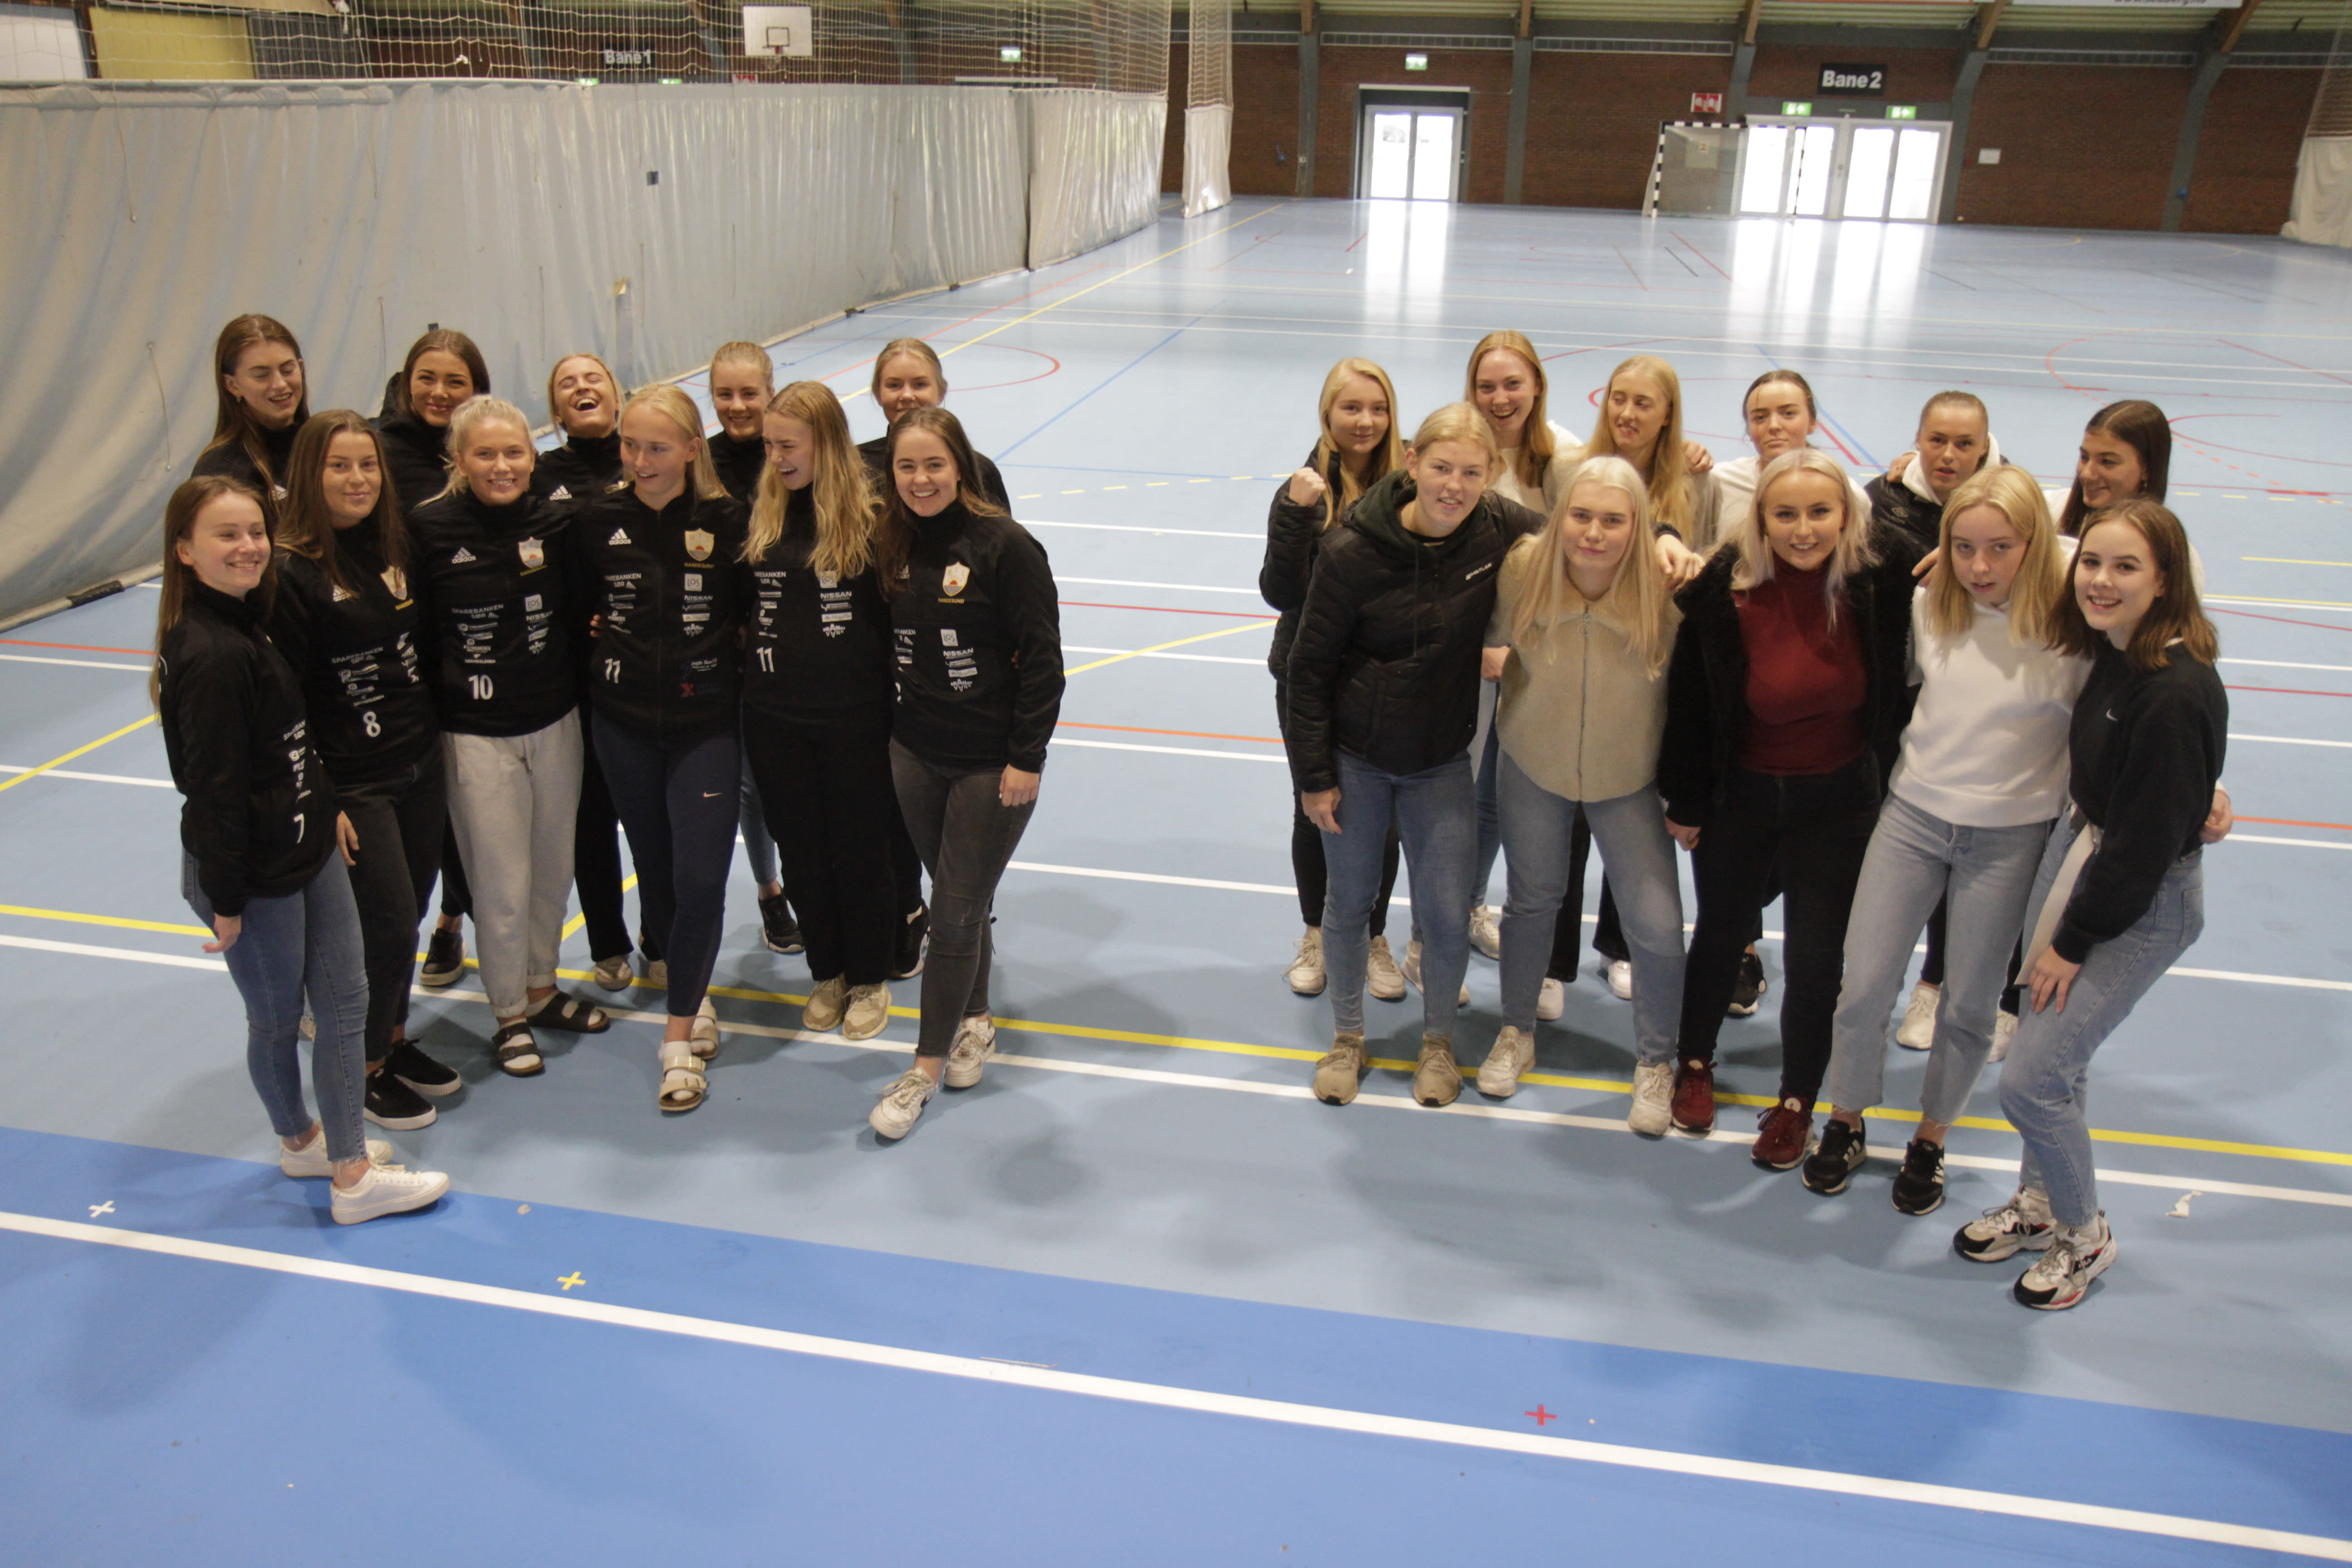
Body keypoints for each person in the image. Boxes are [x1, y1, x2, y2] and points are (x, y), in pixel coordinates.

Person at [154, 475, 448, 1224]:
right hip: (255, 873)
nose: (248, 547)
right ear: (184, 550)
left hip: (306, 845)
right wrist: (227, 900)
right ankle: (332, 1165)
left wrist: (326, 808)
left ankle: (331, 1153)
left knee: (345, 1000)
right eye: (226, 535)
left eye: (256, 531)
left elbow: (292, 738)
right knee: (278, 1018)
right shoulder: (211, 653)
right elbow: (214, 792)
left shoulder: (250, 621)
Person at [1957, 501, 2225, 1312]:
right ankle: (2040, 1203)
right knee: (2051, 1061)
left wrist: (2071, 942)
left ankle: (2083, 1234)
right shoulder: (2115, 649)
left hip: (2134, 901)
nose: (2100, 581)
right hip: (2080, 856)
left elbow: (2143, 849)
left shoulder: (2173, 692)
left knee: (2032, 1078)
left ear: (2165, 581)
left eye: (2125, 567)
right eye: (2093, 564)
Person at [1803, 466, 2087, 1210]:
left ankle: (1930, 1138)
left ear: (2035, 545)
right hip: (1913, 820)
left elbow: (2132, 690)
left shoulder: (2072, 627)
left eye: (2000, 548)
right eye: (1963, 547)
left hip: (2010, 838)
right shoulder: (1932, 604)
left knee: (1967, 1006)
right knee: (1864, 985)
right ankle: (1845, 1119)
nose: (1979, 567)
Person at [1657, 450, 1923, 1166]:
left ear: (1847, 517)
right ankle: (1694, 1063)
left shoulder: (1878, 582)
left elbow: (1962, 546)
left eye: (1820, 512)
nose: (1804, 529)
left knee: (1816, 958)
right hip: (1740, 796)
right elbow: (1689, 705)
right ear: (1761, 520)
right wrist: (1687, 800)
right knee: (1721, 934)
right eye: (1786, 514)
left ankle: (1797, 1099)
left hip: (1838, 803)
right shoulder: (1722, 590)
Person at [1284, 403, 1544, 1110]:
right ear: (1412, 463)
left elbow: (1575, 532)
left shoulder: (1495, 527)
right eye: (1441, 468)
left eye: (1472, 472)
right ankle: (1347, 1038)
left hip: (1441, 764)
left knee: (1446, 912)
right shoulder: (1350, 551)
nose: (1454, 486)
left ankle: (1437, 1046)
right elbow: (1308, 673)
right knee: (1348, 905)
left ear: (1491, 476)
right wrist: (1315, 778)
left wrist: (1662, 540)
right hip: (1357, 762)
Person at [867, 407, 1063, 1140]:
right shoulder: (889, 541)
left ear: (960, 467)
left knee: (949, 917)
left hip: (990, 765)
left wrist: (1026, 757)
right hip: (915, 755)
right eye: (906, 467)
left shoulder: (1005, 546)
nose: (920, 480)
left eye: (934, 465)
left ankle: (921, 1070)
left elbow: (1042, 660)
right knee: (964, 900)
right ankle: (975, 1020)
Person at [268, 409, 462, 1132]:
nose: (358, 479)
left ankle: (394, 1038)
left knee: (409, 912)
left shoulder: (391, 546)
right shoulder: (291, 572)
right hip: (356, 782)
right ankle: (366, 1067)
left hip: (417, 761)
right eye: (339, 466)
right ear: (308, 476)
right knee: (382, 925)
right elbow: (285, 701)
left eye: (368, 465)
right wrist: (325, 797)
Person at [1480, 456, 1688, 1132]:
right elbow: (1486, 635)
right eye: (1581, 516)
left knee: (1656, 924)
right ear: (1560, 515)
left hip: (1630, 778)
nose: (1594, 534)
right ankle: (1516, 1031)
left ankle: (1656, 1061)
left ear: (1640, 525)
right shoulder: (1523, 569)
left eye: (1613, 521)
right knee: (1531, 902)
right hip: (1533, 764)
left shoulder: (1667, 586)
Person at [409, 394, 609, 1076]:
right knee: (500, 882)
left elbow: (582, 608)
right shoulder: (429, 528)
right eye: (485, 454)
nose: (502, 466)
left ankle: (541, 987)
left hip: (556, 722)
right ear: (459, 460)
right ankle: (508, 1014)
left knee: (552, 870)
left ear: (533, 455)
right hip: (475, 736)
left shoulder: (555, 522)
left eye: (514, 452)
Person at [572, 385, 749, 1112]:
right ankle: (692, 994)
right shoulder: (595, 520)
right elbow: (576, 606)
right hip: (621, 725)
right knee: (658, 871)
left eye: (657, 447)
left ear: (692, 449)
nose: (640, 460)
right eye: (630, 445)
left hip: (705, 725)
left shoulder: (729, 522)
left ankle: (675, 1045)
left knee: (701, 876)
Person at [739, 382, 901, 1042]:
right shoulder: (763, 513)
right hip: (775, 718)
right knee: (802, 851)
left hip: (853, 717)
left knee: (859, 849)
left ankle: (869, 977)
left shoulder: (873, 516)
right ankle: (827, 971)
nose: (776, 458)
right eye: (769, 446)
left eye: (789, 445)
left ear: (827, 445)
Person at [1258, 358, 1406, 1003]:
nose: (1365, 421)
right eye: (1351, 408)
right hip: (1307, 675)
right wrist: (1296, 514)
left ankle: (1373, 937)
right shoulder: (1303, 488)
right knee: (1314, 805)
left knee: (1385, 817)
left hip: (1387, 678)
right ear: (1328, 414)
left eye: (1377, 408)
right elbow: (1279, 590)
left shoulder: (1410, 484)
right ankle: (1317, 934)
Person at [1867, 390, 2006, 1050]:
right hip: (1894, 700)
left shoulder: (2013, 504)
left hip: (1976, 707)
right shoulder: (1882, 499)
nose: (1948, 455)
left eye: (1964, 443)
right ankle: (1873, 983)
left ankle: (1935, 985)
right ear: (1917, 440)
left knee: (1965, 856)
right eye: (1937, 441)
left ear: (1985, 446)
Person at [529, 351, 652, 992]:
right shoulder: (539, 474)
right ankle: (608, 943)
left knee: (653, 814)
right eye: (567, 383)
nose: (581, 388)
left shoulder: (647, 461)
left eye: (593, 378)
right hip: (572, 674)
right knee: (589, 814)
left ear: (617, 393)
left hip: (644, 665)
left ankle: (662, 935)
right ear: (555, 408)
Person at [379, 329, 493, 987]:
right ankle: (433, 927)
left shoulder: (486, 446)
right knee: (426, 809)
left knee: (469, 805)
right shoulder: (380, 452)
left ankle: (455, 915)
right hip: (405, 653)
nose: (440, 392)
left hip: (472, 650)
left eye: (456, 381)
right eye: (427, 378)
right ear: (406, 382)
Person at [704, 341, 802, 958]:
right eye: (725, 394)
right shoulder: (701, 463)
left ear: (770, 392)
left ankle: (810, 880)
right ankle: (771, 891)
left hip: (789, 648)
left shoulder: (791, 458)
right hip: (724, 650)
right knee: (747, 786)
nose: (737, 405)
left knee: (794, 780)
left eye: (749, 393)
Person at [1707, 371, 1872, 556]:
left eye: (1789, 414)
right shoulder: (1720, 482)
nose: (1774, 426)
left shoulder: (1850, 496)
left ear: (1812, 423)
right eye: (1760, 417)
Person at [854, 338, 1012, 509]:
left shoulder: (980, 471)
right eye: (894, 385)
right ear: (878, 394)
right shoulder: (856, 466)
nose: (907, 395)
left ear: (941, 391)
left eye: (920, 385)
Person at [192, 314, 309, 507]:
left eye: (288, 370)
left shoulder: (326, 445)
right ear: (232, 385)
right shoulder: (222, 469)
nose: (280, 384)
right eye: (262, 375)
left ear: (301, 368)